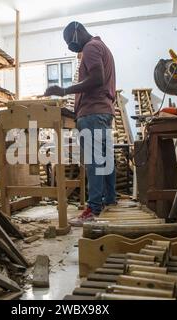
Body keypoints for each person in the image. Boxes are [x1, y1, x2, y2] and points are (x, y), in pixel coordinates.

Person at [44, 21, 117, 226]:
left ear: (78, 31)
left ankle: (93, 209)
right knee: (106, 160)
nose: (70, 46)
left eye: (70, 41)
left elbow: (97, 78)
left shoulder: (91, 47)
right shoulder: (103, 47)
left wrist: (65, 90)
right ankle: (110, 200)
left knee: (94, 162)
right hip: (103, 111)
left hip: (93, 112)